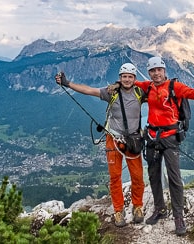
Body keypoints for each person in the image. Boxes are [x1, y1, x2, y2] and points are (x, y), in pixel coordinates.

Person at [55, 63, 146, 227]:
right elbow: (89, 90)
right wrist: (67, 83)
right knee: (115, 177)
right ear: (120, 78)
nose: (126, 79)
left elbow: (158, 92)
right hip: (114, 139)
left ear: (134, 79)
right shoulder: (111, 92)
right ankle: (118, 210)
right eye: (124, 76)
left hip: (133, 140)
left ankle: (137, 206)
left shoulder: (140, 92)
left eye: (130, 77)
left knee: (138, 177)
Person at [133, 56, 194, 236]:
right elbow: (130, 81)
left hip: (170, 138)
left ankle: (178, 216)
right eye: (152, 70)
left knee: (174, 177)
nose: (156, 73)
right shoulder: (147, 86)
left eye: (159, 70)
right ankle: (160, 208)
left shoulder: (175, 87)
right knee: (153, 175)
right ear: (149, 73)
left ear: (164, 71)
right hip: (152, 137)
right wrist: (117, 85)